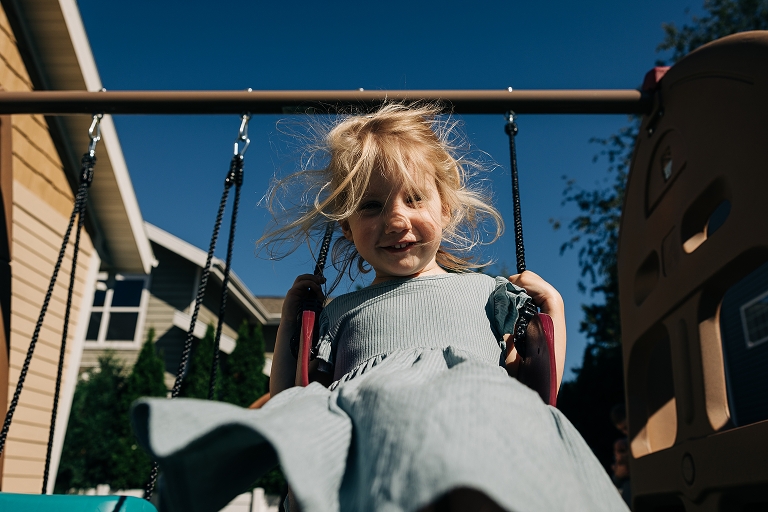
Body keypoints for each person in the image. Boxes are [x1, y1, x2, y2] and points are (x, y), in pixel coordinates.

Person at [131, 103, 629, 512]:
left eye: (414, 199)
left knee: (496, 427)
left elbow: (539, 387)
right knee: (301, 429)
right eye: (370, 206)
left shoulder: (485, 291)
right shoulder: (340, 309)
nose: (395, 219)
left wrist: (553, 312)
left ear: (446, 210)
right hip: (365, 416)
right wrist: (290, 324)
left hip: (470, 406)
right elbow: (291, 392)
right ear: (346, 228)